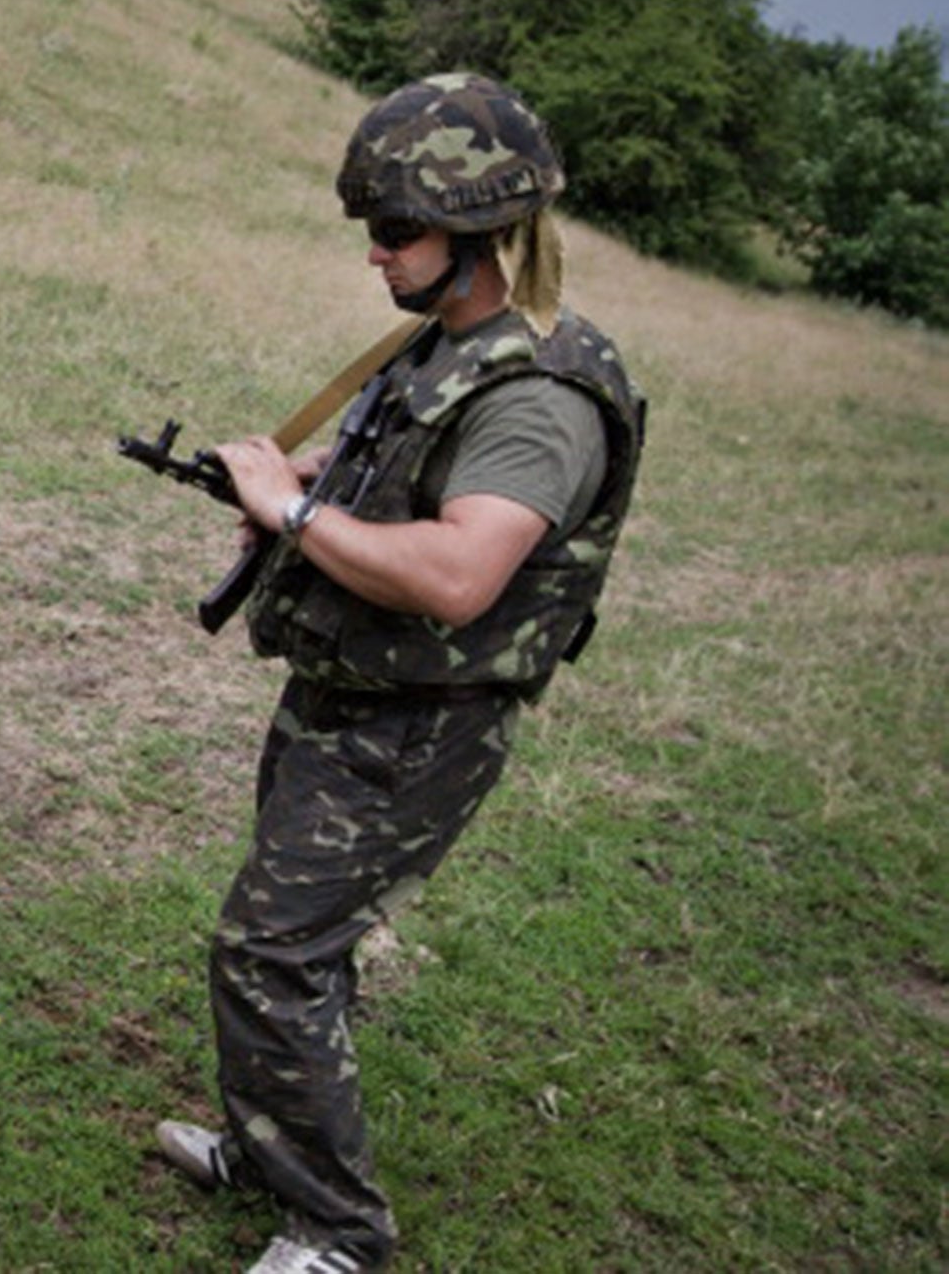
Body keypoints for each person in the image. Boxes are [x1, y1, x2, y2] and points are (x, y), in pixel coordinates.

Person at [152, 73, 646, 1273]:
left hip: (417, 724)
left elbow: (464, 573)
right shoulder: (452, 339)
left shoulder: (540, 392)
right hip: (347, 690)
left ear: (481, 235)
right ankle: (271, 1144)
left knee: (270, 955)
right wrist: (316, 484)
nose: (375, 254)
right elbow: (410, 468)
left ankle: (336, 1229)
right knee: (294, 950)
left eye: (396, 231)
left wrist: (294, 508)